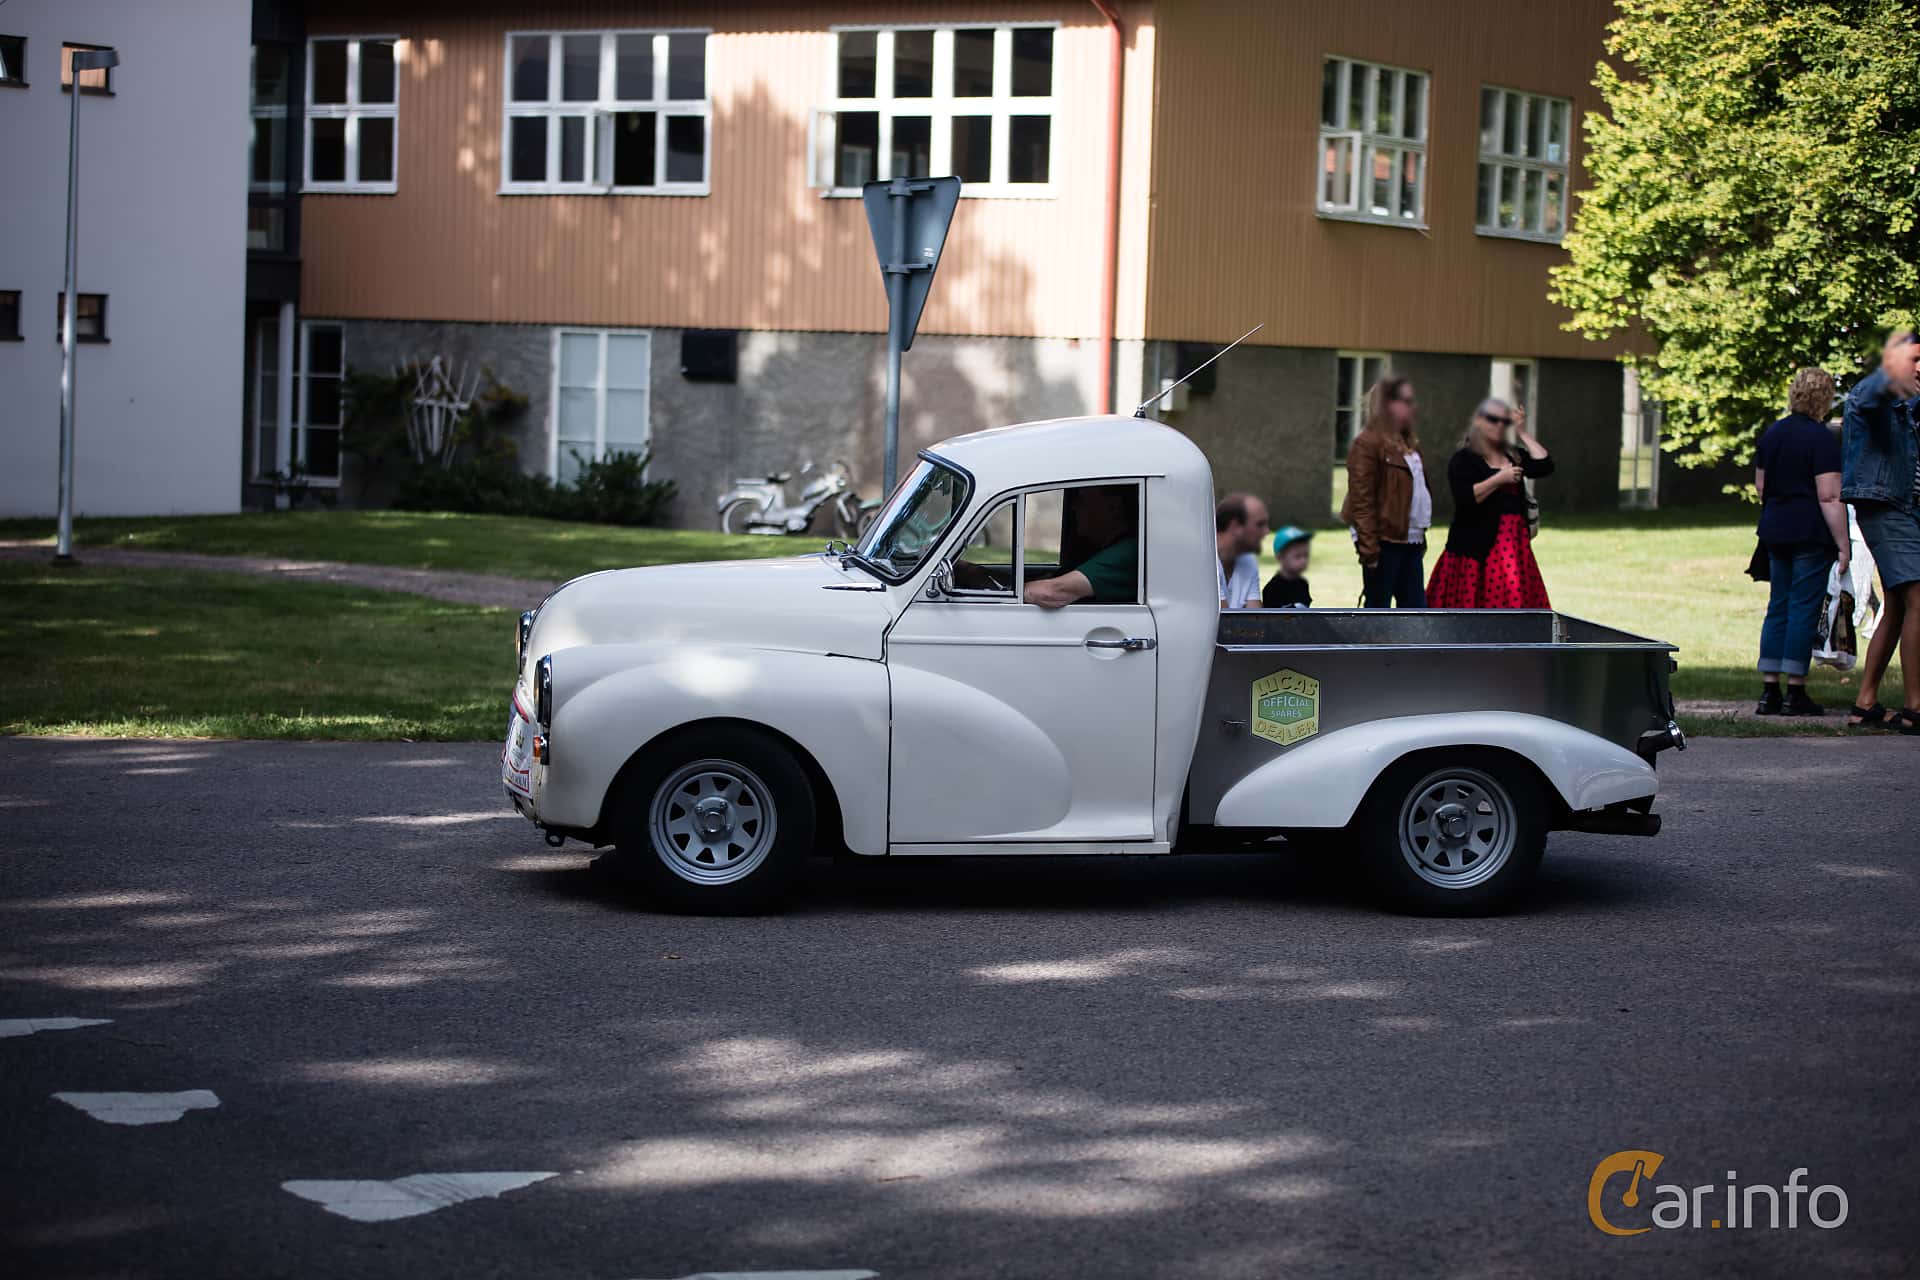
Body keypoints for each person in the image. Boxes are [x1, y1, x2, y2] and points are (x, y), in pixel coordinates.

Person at [1752, 368, 1849, 715]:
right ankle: (1795, 690)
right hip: (1809, 531)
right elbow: (1829, 495)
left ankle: (1769, 690)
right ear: (1824, 398)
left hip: (1775, 530)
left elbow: (1761, 486)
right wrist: (1843, 544)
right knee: (1802, 607)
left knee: (1778, 605)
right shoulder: (1821, 439)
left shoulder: (1772, 434)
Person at [1841, 330, 1920, 733]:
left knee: (1898, 604)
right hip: (1885, 507)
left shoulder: (1909, 399)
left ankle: (1865, 703)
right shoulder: (1873, 393)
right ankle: (1915, 708)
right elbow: (1872, 397)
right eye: (1914, 359)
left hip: (1905, 509)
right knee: (1919, 596)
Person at [1427, 398, 1555, 608]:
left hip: (1514, 547)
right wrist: (1499, 479)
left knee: (1515, 608)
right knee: (1474, 609)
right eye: (1493, 420)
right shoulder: (1464, 459)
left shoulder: (1512, 455)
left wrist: (1522, 432)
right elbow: (1465, 498)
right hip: (1476, 550)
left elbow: (1545, 465)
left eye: (1504, 421)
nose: (1499, 425)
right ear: (1478, 422)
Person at [1341, 377, 1433, 608]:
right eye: (1406, 401)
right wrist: (1369, 550)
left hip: (1410, 539)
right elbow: (1362, 499)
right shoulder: (1368, 443)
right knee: (1379, 613)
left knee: (1415, 613)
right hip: (1384, 541)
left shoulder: (1409, 444)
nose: (1412, 407)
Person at [1023, 484, 1139, 609]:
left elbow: (1052, 592)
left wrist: (1010, 591)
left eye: (1083, 500)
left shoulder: (1126, 553)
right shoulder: (1098, 550)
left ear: (1113, 507)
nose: (1074, 507)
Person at [1215, 493, 1269, 609]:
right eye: (1259, 524)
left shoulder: (1248, 560)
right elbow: (1224, 623)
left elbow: (1255, 620)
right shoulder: (1205, 562)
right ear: (1235, 527)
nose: (1266, 531)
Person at [1262, 526, 1314, 608]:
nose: (1303, 560)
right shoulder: (1272, 589)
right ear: (1280, 557)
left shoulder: (1302, 584)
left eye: (1306, 555)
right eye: (1298, 556)